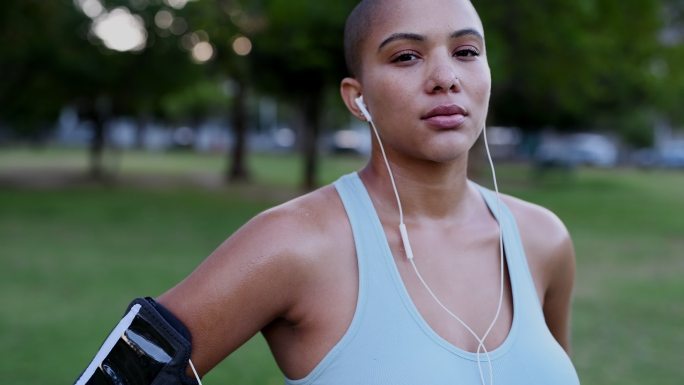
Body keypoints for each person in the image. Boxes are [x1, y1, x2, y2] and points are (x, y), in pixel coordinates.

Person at [75, 1, 580, 384]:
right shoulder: (295, 243)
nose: (446, 78)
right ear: (357, 98)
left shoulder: (543, 239)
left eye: (466, 52)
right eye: (406, 56)